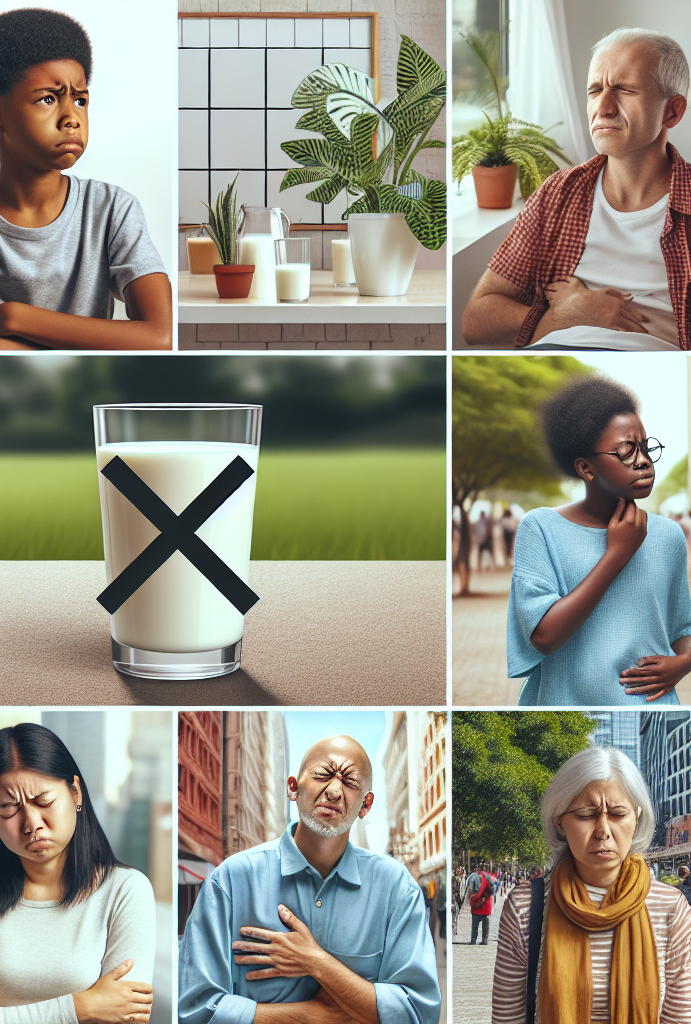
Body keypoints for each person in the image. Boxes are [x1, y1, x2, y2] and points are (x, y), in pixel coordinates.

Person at [0, 8, 171, 351]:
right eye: (48, 98)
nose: (72, 117)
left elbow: (161, 336)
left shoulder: (113, 209)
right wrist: (54, 352)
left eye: (80, 99)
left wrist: (12, 318)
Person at [178, 734, 440, 1024]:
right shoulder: (230, 881)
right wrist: (310, 1016)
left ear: (365, 805)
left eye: (350, 782)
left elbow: (418, 1013)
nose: (334, 791)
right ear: (293, 788)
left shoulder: (397, 889)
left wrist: (318, 963)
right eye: (323, 774)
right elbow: (195, 1010)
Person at [461, 28, 690, 350]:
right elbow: (475, 322)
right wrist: (568, 315)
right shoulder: (558, 193)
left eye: (624, 89)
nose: (604, 106)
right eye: (595, 90)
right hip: (550, 357)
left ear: (672, 111)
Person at [0, 723, 156, 1023]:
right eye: (9, 808)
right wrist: (82, 1007)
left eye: (43, 801)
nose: (32, 823)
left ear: (75, 793)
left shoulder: (126, 891)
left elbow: (128, 1018)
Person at [507, 375, 691, 705]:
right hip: (565, 706)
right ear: (586, 469)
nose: (643, 461)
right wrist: (616, 554)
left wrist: (684, 663)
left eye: (646, 447)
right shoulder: (541, 528)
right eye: (626, 451)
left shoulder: (669, 536)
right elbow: (544, 636)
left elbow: (681, 627)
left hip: (650, 707)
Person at [491, 745, 691, 1023]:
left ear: (637, 818)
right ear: (559, 822)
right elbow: (507, 1017)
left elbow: (680, 1016)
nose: (603, 831)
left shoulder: (670, 907)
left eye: (619, 815)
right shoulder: (526, 907)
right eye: (586, 815)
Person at [467, 863, 494, 944]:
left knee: (475, 922)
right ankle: (484, 940)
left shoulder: (473, 877)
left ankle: (473, 940)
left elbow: (470, 889)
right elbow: (493, 890)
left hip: (477, 902)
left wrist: (473, 898)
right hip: (486, 902)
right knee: (485, 923)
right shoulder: (490, 878)